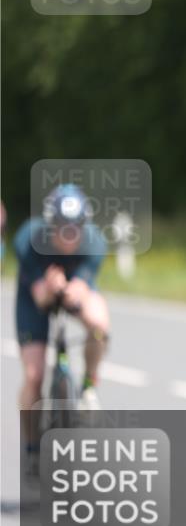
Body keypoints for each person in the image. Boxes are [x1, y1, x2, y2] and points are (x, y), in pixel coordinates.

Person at [15, 184, 110, 462]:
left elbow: (82, 287)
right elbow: (41, 299)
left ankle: (88, 385)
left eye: (76, 227)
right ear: (49, 225)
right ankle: (32, 448)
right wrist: (49, 288)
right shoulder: (28, 240)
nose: (70, 235)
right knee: (34, 375)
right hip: (36, 296)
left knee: (99, 324)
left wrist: (73, 292)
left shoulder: (94, 243)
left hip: (73, 289)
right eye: (61, 227)